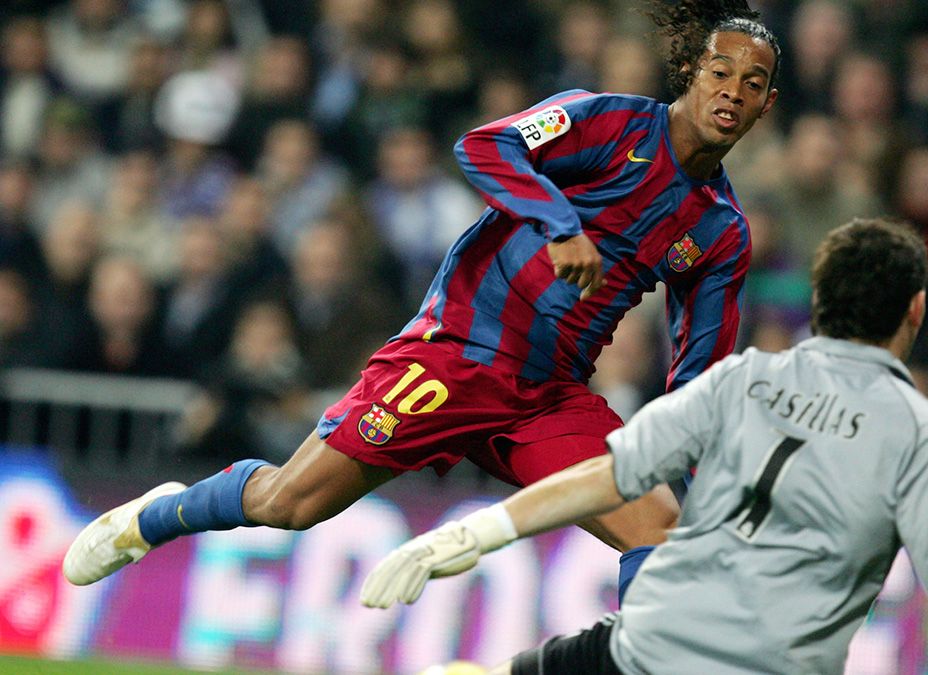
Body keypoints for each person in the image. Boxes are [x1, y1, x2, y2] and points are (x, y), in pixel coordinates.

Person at [62, 0, 782, 604]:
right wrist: (561, 225)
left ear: (766, 104)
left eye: (752, 84)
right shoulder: (606, 122)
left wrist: (697, 481)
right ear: (692, 71)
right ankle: (149, 519)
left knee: (664, 532)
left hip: (547, 400)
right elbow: (485, 147)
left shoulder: (720, 233)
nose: (733, 91)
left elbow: (697, 377)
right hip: (454, 355)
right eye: (721, 71)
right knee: (290, 503)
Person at [360, 220, 928, 675]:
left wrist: (478, 530)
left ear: (818, 302)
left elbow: (612, 472)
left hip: (647, 639)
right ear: (915, 309)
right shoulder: (925, 435)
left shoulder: (745, 377)